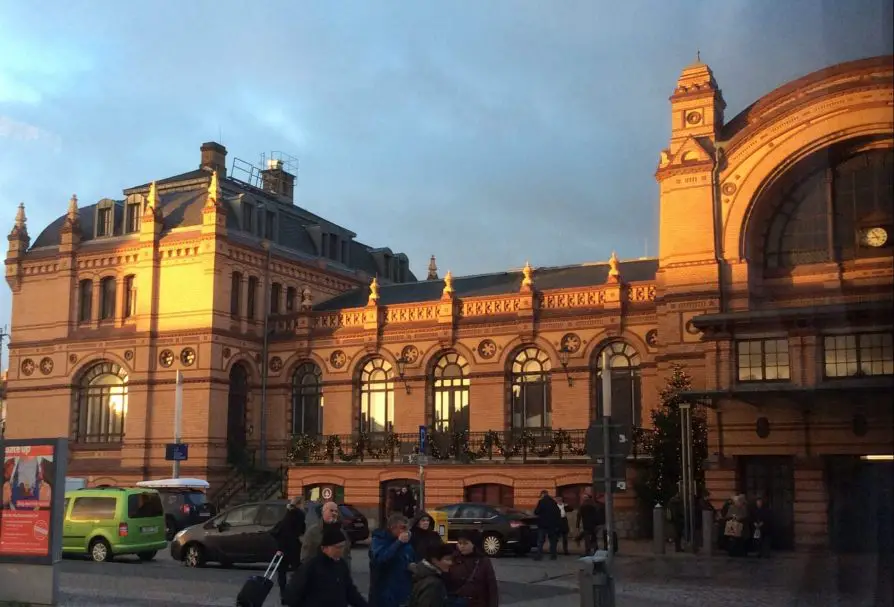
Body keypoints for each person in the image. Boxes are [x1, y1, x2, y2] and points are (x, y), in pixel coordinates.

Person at [283, 524, 368, 607]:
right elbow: (292, 593)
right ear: (324, 548)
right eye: (337, 547)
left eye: (342, 547)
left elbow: (350, 592)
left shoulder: (341, 565)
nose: (341, 551)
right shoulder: (311, 567)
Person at [369, 513, 416, 607]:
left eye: (407, 528)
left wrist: (411, 566)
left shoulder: (407, 544)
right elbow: (381, 559)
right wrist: (398, 543)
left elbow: (410, 558)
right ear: (392, 528)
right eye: (402, 528)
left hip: (403, 590)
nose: (405, 531)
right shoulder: (379, 540)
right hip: (384, 592)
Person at [445, 530, 499, 607]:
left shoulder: (483, 561)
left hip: (478, 603)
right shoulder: (453, 559)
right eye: (460, 543)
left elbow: (491, 586)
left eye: (465, 543)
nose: (462, 546)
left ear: (474, 544)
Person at [271, 496, 307, 603]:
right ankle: (297, 594)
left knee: (282, 571)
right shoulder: (299, 514)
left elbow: (282, 530)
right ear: (299, 504)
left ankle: (284, 595)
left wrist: (279, 547)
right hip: (293, 546)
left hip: (283, 546)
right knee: (298, 571)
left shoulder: (288, 513)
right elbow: (301, 530)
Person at [302, 501, 353, 571]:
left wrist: (345, 573)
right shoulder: (313, 532)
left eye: (336, 511)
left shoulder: (342, 532)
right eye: (331, 510)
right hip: (319, 574)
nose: (334, 513)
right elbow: (306, 556)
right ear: (323, 512)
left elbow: (346, 555)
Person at [533, 490, 560, 561]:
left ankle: (539, 556)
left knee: (540, 541)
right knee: (552, 541)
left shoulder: (541, 502)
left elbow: (536, 512)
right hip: (552, 524)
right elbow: (558, 513)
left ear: (543, 494)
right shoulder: (553, 502)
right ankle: (553, 555)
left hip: (543, 524)